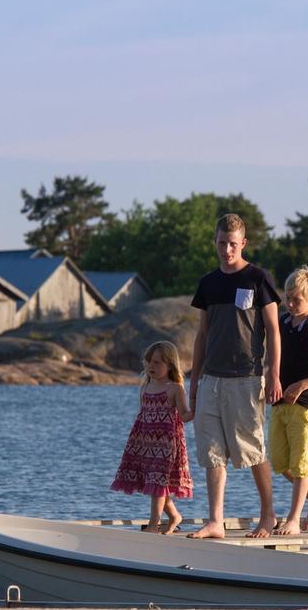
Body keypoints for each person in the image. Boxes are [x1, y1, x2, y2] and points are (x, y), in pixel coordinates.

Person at [188, 213, 283, 539]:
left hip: (247, 376)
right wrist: (194, 379)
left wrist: (274, 374)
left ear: (243, 243)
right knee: (211, 451)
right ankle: (215, 520)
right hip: (211, 378)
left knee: (253, 448)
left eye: (232, 244)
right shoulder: (208, 283)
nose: (226, 249)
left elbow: (273, 329)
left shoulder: (258, 277)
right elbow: (202, 334)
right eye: (221, 243)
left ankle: (268, 515)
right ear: (214, 242)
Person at [110, 341, 194, 534]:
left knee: (158, 481)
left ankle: (153, 524)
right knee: (153, 482)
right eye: (149, 362)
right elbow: (143, 414)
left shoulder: (175, 389)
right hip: (144, 441)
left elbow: (184, 416)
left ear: (170, 365)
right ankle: (175, 517)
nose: (151, 367)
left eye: (157, 363)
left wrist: (199, 409)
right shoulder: (146, 387)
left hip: (166, 443)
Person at [268, 266, 308, 535]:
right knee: (279, 460)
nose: (291, 304)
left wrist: (303, 384)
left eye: (297, 300)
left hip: (306, 403)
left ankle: (294, 518)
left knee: (301, 462)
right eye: (288, 298)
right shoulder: (281, 322)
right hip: (279, 401)